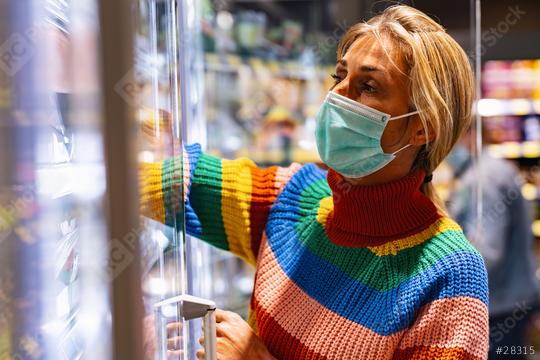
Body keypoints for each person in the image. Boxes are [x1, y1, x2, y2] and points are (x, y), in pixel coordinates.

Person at [140, 5, 489, 359]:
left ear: (423, 127)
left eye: (368, 86)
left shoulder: (450, 276)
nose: (337, 95)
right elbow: (172, 185)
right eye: (340, 77)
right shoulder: (295, 197)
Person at [447, 132, 540, 359]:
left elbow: (486, 254)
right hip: (512, 298)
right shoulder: (490, 169)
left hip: (500, 306)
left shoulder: (483, 178)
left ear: (468, 135)